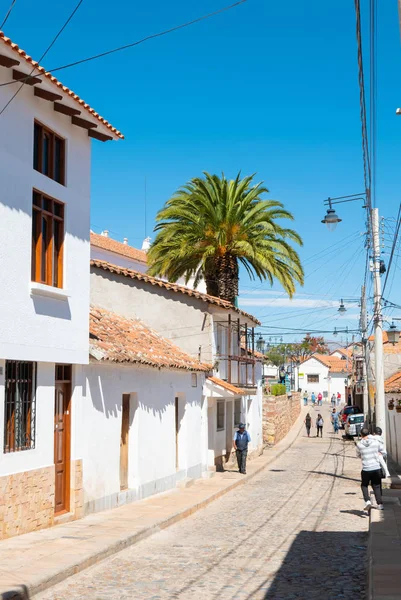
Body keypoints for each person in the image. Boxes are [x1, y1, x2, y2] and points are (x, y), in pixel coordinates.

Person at [356, 427, 386, 512]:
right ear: (369, 434)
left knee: (364, 485)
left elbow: (358, 455)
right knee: (376, 485)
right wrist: (378, 454)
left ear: (361, 435)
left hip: (366, 468)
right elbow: (383, 452)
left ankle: (367, 501)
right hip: (376, 468)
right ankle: (380, 504)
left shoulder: (359, 444)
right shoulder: (376, 443)